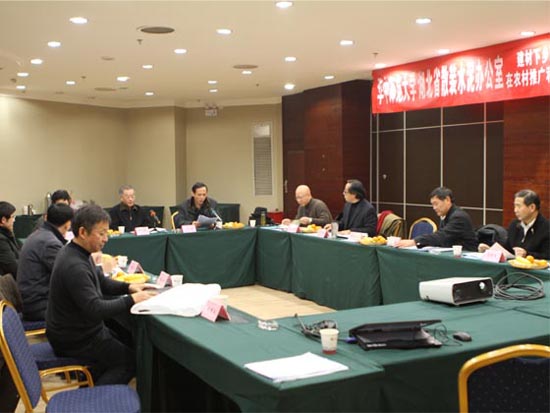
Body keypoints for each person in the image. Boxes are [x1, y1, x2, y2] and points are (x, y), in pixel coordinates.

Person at [46, 204, 154, 385]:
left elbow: (102, 282)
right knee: (130, 362)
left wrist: (129, 287)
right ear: (83, 232)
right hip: (74, 338)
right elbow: (95, 309)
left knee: (124, 340)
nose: (106, 239)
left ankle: (92, 383)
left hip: (78, 330)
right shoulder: (74, 265)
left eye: (107, 233)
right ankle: (95, 397)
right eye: (101, 233)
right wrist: (132, 300)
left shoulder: (78, 251)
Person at [17, 204, 74, 321]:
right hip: (39, 306)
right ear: (67, 224)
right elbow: (68, 274)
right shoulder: (50, 243)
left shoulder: (40, 233)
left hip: (32, 301)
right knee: (85, 309)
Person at [396, 187, 478, 251]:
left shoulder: (459, 217)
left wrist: (414, 241)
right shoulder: (446, 215)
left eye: (436, 204)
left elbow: (442, 236)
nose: (434, 208)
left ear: (447, 200)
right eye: (432, 205)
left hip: (466, 256)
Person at [479, 189, 549, 259]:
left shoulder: (546, 228)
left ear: (532, 207)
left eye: (519, 206)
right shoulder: (514, 225)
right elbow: (507, 249)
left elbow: (547, 255)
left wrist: (527, 254)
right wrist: (490, 251)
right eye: (515, 206)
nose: (515, 210)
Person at [0, 201, 21, 278]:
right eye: (12, 217)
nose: (14, 220)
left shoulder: (7, 233)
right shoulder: (1, 240)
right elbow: (13, 267)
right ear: (3, 220)